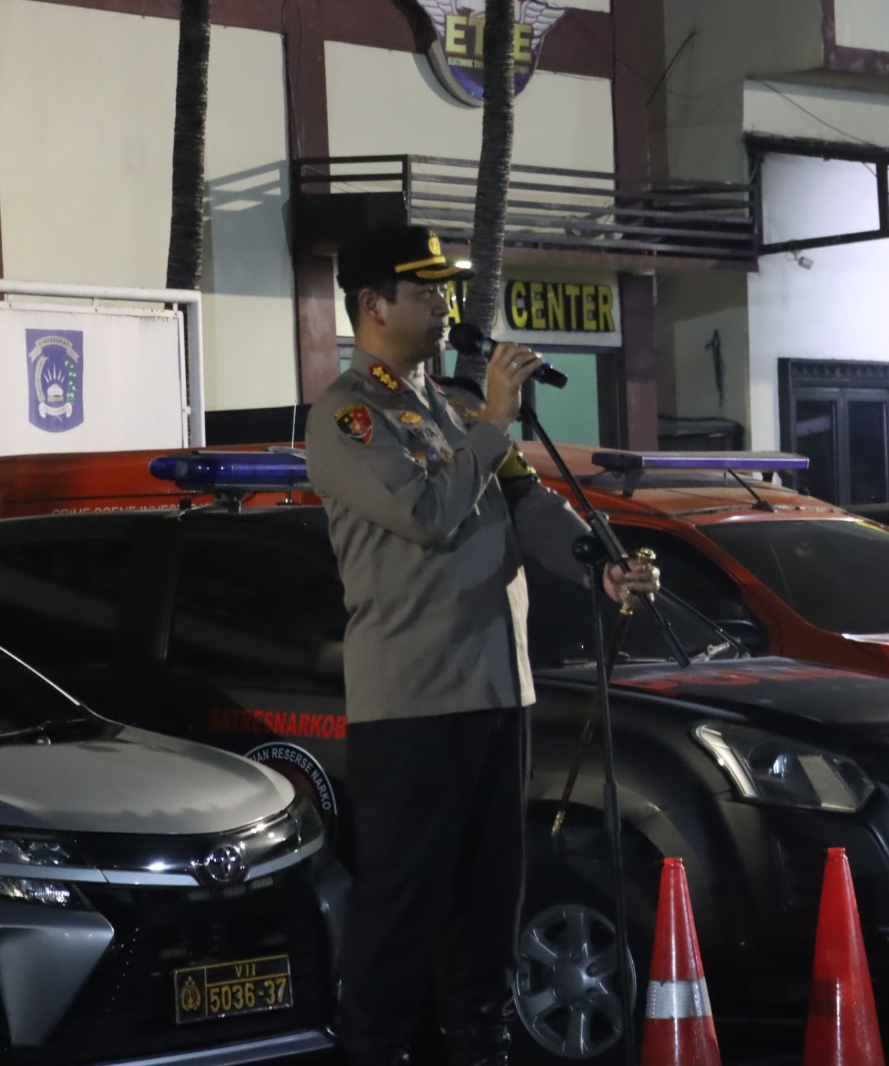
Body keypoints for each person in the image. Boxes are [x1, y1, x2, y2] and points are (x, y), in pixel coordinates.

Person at [305, 224, 658, 1066]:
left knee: (490, 904)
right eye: (425, 291)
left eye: (445, 290)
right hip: (413, 705)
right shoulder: (350, 416)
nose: (444, 306)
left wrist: (601, 565)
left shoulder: (454, 411)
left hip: (499, 692)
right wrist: (495, 421)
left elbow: (529, 506)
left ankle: (481, 1044)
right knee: (403, 908)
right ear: (372, 304)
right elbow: (427, 514)